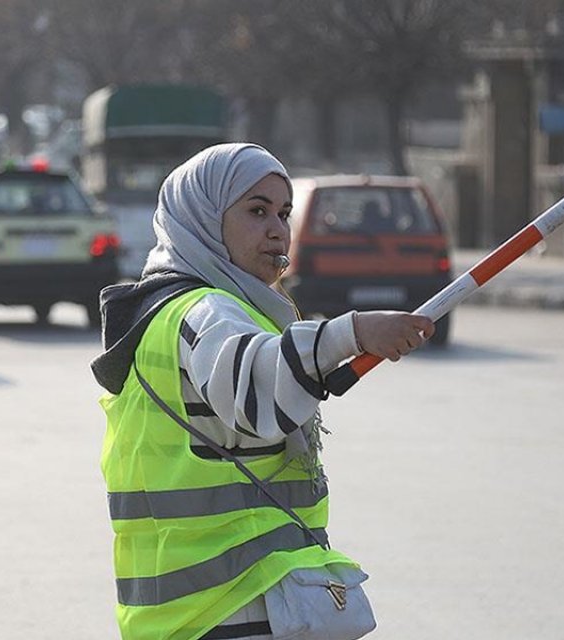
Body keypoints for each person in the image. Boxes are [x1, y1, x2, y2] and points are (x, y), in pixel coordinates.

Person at [91, 143, 434, 640]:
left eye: (284, 213)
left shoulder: (200, 309)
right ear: (204, 220)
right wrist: (351, 333)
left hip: (207, 611)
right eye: (256, 211)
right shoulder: (203, 310)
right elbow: (256, 390)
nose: (277, 229)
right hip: (232, 605)